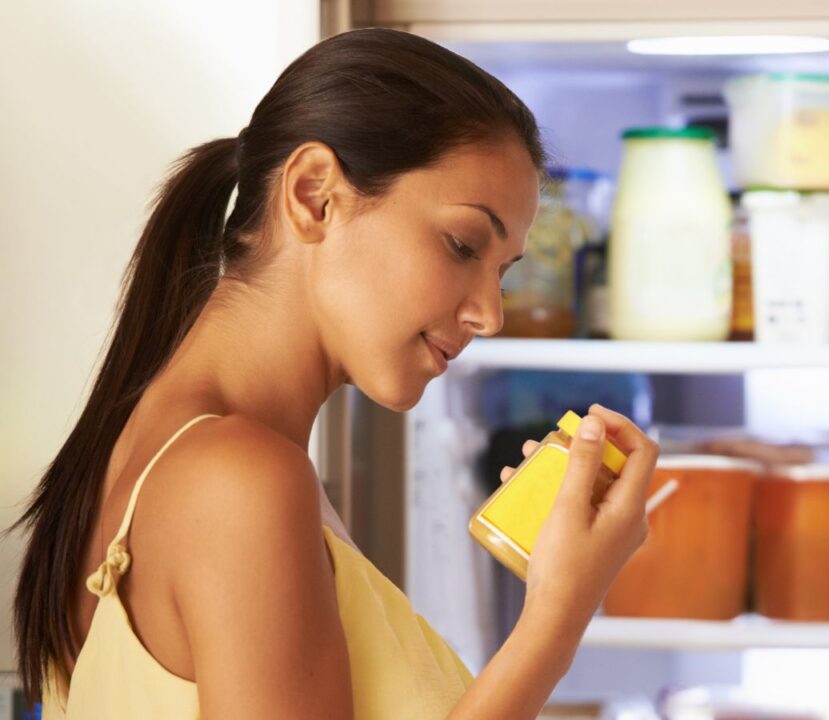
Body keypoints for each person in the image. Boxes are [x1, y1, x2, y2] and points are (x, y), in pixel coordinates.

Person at [11, 28, 656, 719]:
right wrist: (558, 615)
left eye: (502, 272)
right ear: (315, 195)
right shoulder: (239, 480)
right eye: (463, 244)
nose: (489, 314)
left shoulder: (162, 449)